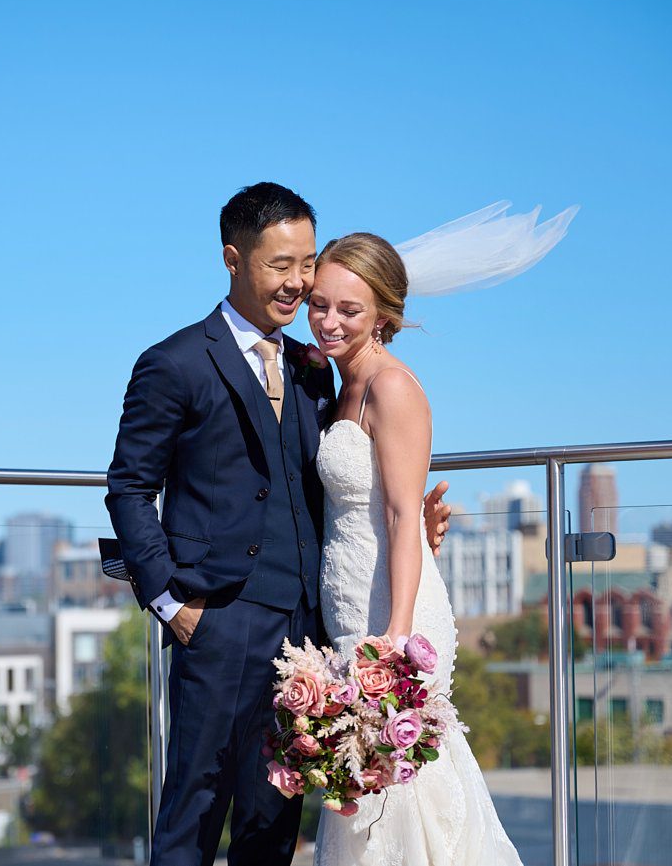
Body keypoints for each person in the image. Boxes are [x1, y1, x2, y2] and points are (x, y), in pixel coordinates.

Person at [105, 182, 450, 866]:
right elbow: (128, 488)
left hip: (311, 636)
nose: (298, 283)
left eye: (307, 263)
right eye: (280, 265)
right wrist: (173, 604)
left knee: (274, 819)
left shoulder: (314, 370)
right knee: (193, 816)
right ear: (233, 259)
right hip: (217, 622)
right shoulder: (173, 363)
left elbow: (342, 486)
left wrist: (414, 534)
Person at [308, 232, 523, 865]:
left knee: (405, 788)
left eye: (349, 310)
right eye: (320, 304)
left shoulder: (391, 387)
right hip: (350, 603)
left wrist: (396, 640)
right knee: (362, 788)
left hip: (390, 612)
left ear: (383, 315)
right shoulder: (338, 381)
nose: (329, 321)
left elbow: (404, 515)